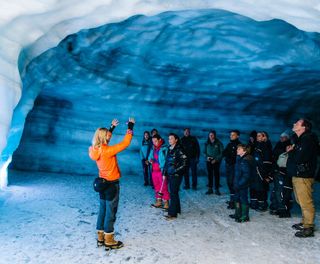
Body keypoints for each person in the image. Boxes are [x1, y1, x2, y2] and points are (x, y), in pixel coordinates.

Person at [89, 118, 135, 249]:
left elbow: (106, 137)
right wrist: (130, 127)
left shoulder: (95, 149)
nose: (109, 136)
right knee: (111, 212)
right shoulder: (107, 151)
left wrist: (112, 127)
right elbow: (125, 143)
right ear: (104, 137)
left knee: (102, 209)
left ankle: (100, 237)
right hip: (111, 184)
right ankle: (109, 239)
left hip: (102, 184)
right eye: (107, 135)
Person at [287, 118, 319, 237]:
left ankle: (308, 227)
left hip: (304, 176)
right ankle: (305, 222)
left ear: (303, 127)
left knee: (306, 201)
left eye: (298, 123)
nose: (294, 123)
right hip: (298, 174)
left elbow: (300, 158)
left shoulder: (308, 140)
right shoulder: (301, 139)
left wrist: (291, 152)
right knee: (300, 200)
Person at [163, 133, 188, 220]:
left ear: (176, 140)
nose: (169, 140)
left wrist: (175, 171)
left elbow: (185, 163)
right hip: (170, 174)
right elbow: (167, 163)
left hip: (176, 175)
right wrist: (164, 173)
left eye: (171, 139)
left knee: (173, 193)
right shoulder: (169, 149)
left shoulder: (179, 150)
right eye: (169, 139)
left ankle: (172, 214)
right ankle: (176, 209)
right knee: (174, 192)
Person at [269, 131, 292, 217]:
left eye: (284, 137)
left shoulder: (289, 146)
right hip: (276, 171)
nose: (281, 138)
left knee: (282, 192)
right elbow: (274, 157)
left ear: (287, 138)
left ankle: (283, 210)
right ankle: (276, 207)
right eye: (281, 137)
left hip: (283, 172)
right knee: (276, 190)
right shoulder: (279, 145)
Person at [229, 144, 254, 223]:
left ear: (244, 151)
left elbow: (246, 175)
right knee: (237, 198)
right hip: (238, 183)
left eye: (239, 149)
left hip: (242, 184)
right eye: (237, 149)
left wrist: (240, 183)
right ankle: (237, 213)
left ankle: (245, 216)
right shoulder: (239, 158)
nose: (237, 150)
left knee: (243, 199)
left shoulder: (245, 160)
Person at [252, 131, 273, 211]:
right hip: (257, 170)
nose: (257, 137)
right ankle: (258, 203)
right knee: (257, 188)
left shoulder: (266, 146)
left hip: (262, 171)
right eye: (257, 136)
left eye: (260, 136)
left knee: (262, 188)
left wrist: (265, 174)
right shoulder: (258, 146)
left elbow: (267, 161)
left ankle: (263, 205)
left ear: (265, 137)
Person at [148, 134, 169, 209]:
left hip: (161, 170)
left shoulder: (164, 148)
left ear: (160, 140)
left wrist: (164, 169)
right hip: (154, 170)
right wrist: (150, 160)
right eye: (153, 141)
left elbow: (167, 160)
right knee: (157, 186)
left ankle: (166, 202)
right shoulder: (153, 148)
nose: (154, 143)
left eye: (155, 141)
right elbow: (150, 156)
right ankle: (159, 201)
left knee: (163, 187)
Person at [223, 130, 241, 209]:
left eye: (233, 135)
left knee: (234, 184)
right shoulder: (230, 144)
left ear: (238, 136)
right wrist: (227, 159)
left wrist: (230, 158)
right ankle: (232, 199)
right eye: (231, 135)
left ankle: (235, 202)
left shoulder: (239, 145)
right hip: (229, 166)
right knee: (229, 183)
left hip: (235, 167)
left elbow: (238, 157)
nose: (231, 136)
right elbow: (224, 153)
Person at [204, 130, 224, 195]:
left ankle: (217, 189)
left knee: (216, 175)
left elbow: (222, 153)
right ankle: (210, 189)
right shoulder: (207, 143)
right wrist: (207, 157)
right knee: (210, 175)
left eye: (212, 135)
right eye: (210, 135)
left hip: (216, 161)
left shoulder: (219, 143)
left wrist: (216, 159)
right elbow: (204, 152)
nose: (211, 136)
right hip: (209, 160)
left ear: (215, 135)